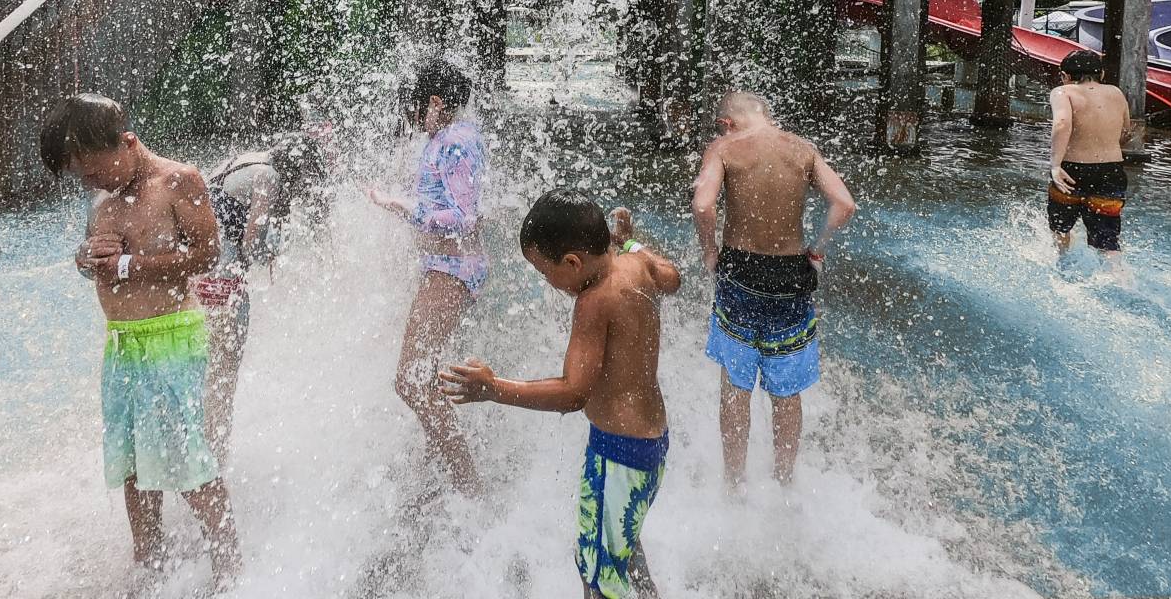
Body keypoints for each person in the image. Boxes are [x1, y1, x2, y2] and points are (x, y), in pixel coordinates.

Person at [39, 94, 240, 586]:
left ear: (125, 142)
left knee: (185, 459)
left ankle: (230, 566)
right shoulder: (102, 200)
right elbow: (96, 268)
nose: (89, 184)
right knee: (131, 465)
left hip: (172, 338)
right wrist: (86, 260)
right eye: (80, 178)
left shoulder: (177, 181)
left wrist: (131, 264)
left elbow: (208, 255)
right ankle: (149, 563)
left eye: (91, 171)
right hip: (122, 344)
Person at [440, 190, 681, 599]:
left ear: (573, 262)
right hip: (651, 448)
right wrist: (627, 241)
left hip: (617, 455)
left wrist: (494, 388)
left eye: (544, 272)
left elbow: (573, 393)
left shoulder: (594, 301)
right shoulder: (636, 264)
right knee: (622, 544)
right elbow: (672, 276)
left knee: (597, 576)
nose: (547, 283)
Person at [691, 92, 856, 488]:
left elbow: (702, 206)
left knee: (736, 383)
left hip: (741, 276)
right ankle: (784, 484)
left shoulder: (725, 148)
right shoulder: (802, 149)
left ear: (726, 123)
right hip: (791, 279)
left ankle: (734, 484)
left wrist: (710, 251)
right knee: (786, 388)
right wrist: (816, 249)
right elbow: (844, 204)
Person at [366, 59, 489, 496]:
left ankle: (468, 484)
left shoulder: (454, 141)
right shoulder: (448, 138)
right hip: (442, 268)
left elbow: (464, 217)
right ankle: (440, 467)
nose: (412, 123)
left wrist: (398, 205)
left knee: (411, 379)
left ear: (436, 103)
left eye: (415, 112)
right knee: (421, 376)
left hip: (452, 270)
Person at [196, 129, 329, 466]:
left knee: (204, 365)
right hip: (222, 273)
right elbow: (253, 243)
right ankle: (214, 460)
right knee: (223, 369)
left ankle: (199, 454)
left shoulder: (250, 160)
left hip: (200, 270)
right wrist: (273, 244)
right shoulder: (268, 178)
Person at [1048, 51, 1132, 271]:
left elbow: (1062, 124)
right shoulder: (1116, 93)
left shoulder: (1062, 92)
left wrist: (1056, 165)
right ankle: (1121, 280)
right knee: (1107, 240)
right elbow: (1126, 133)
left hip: (1072, 171)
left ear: (1065, 75)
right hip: (1111, 171)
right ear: (1101, 73)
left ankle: (1061, 267)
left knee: (1061, 228)